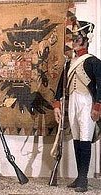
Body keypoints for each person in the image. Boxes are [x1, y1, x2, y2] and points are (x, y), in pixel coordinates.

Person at [53, 19, 101, 192]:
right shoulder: (69, 63)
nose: (74, 42)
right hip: (72, 101)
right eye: (73, 38)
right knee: (77, 137)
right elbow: (60, 85)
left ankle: (84, 180)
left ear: (86, 40)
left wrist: (98, 106)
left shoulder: (93, 61)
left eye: (78, 39)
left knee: (86, 138)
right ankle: (79, 177)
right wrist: (57, 103)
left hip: (87, 102)